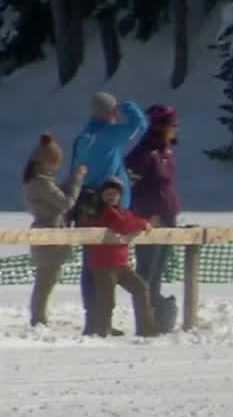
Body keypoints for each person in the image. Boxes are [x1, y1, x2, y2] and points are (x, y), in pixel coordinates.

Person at [69, 91, 148, 335]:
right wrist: (128, 106)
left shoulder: (84, 136)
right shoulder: (109, 134)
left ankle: (94, 320)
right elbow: (140, 126)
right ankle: (101, 323)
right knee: (110, 263)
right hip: (109, 203)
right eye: (113, 111)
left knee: (90, 263)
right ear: (108, 112)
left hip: (85, 203)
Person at [125, 104, 181, 331]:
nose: (176, 130)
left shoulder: (166, 151)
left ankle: (157, 315)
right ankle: (146, 320)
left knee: (159, 270)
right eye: (173, 126)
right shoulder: (144, 153)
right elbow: (129, 181)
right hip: (150, 218)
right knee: (147, 271)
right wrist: (143, 213)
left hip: (168, 216)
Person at [23, 134, 86, 327]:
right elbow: (66, 202)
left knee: (48, 279)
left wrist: (71, 179)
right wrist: (77, 179)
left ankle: (39, 317)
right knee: (45, 281)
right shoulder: (40, 183)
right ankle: (38, 319)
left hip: (52, 235)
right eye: (54, 163)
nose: (56, 167)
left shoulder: (42, 181)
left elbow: (59, 195)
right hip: (48, 235)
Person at [86, 177, 157, 337]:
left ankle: (146, 327)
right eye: (108, 193)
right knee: (106, 300)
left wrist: (141, 222)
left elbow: (131, 220)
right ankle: (102, 329)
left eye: (115, 194)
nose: (112, 197)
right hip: (104, 264)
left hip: (121, 263)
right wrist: (143, 224)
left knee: (141, 288)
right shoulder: (102, 211)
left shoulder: (123, 211)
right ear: (102, 195)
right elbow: (123, 225)